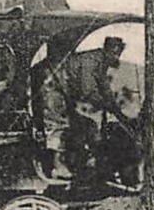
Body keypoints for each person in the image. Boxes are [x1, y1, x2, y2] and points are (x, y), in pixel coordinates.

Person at [37, 35, 128, 180]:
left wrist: (116, 110)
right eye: (114, 53)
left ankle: (91, 164)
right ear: (107, 50)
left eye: (119, 54)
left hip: (64, 90)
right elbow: (88, 90)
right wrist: (105, 104)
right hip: (51, 85)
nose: (116, 57)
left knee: (86, 125)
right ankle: (57, 167)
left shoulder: (101, 63)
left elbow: (104, 88)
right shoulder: (90, 60)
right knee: (59, 125)